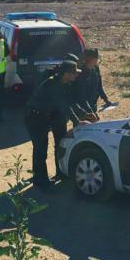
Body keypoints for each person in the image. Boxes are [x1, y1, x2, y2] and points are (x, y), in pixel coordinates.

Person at [26, 60, 97, 190]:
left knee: (60, 143)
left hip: (49, 115)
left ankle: (61, 172)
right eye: (74, 73)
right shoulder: (53, 85)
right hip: (36, 117)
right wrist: (77, 122)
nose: (76, 76)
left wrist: (85, 114)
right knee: (40, 150)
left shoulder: (65, 84)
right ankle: (40, 181)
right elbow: (63, 106)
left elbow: (70, 102)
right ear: (66, 74)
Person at [76, 48, 112, 114]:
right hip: (83, 105)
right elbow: (81, 94)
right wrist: (90, 112)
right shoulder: (81, 72)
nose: (97, 60)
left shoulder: (95, 68)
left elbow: (99, 85)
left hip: (93, 101)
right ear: (91, 59)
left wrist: (105, 99)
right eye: (96, 58)